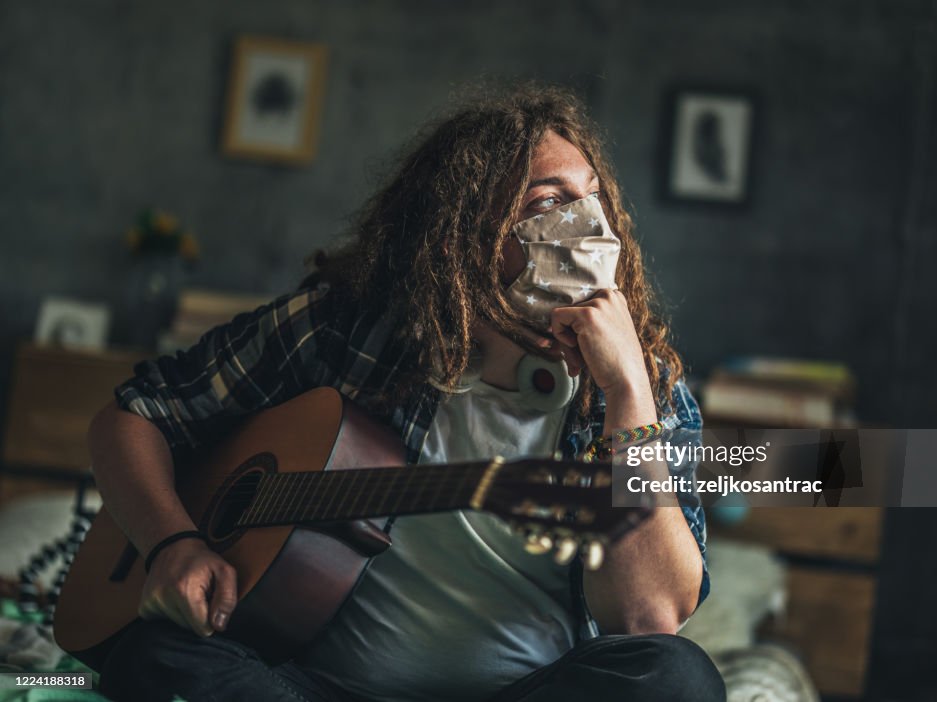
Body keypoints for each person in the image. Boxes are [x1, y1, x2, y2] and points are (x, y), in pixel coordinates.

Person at [88, 85, 725, 702]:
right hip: (316, 688)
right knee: (154, 656)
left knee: (676, 680)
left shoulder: (646, 386)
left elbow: (649, 616)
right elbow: (135, 415)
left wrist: (627, 393)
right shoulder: (348, 328)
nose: (588, 226)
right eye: (546, 205)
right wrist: (172, 542)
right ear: (466, 234)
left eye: (593, 197)